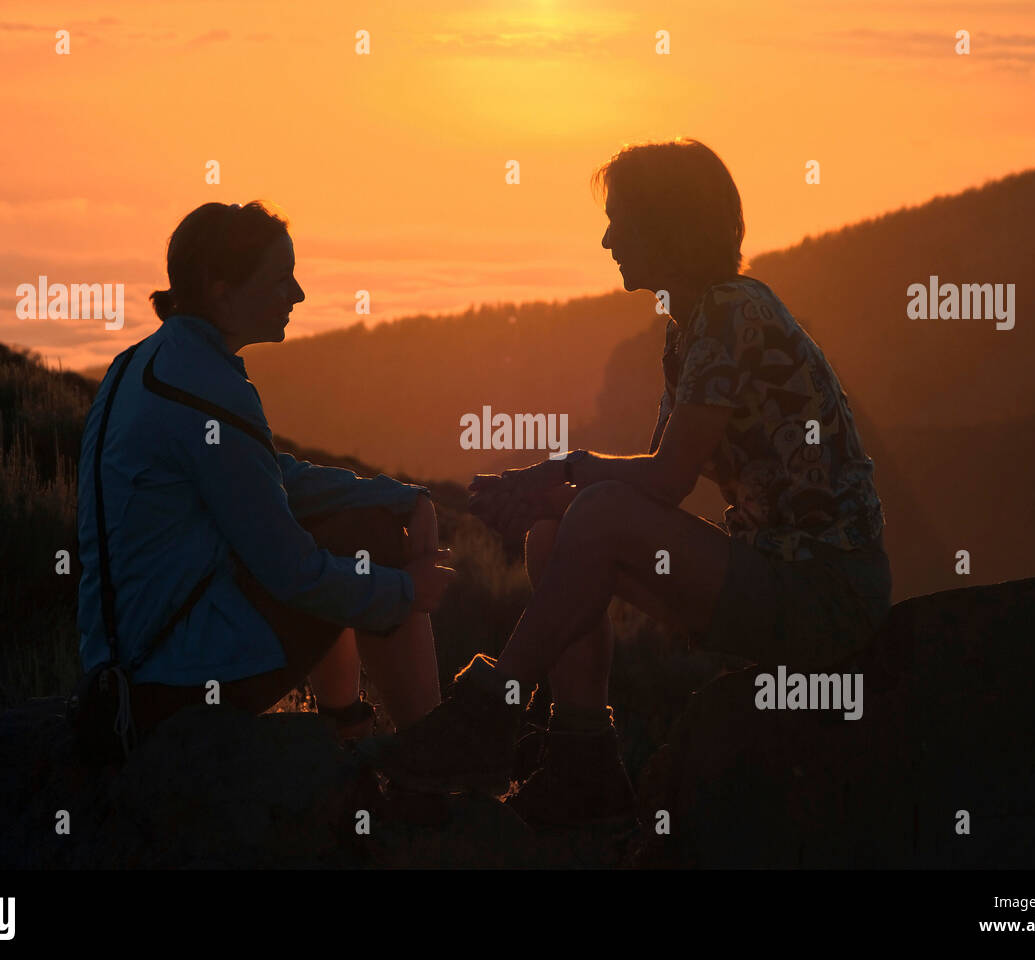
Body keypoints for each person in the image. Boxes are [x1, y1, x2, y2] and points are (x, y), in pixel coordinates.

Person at [379, 139, 892, 827]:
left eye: (621, 219)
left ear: (669, 224)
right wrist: (547, 498)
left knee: (584, 518)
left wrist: (558, 468)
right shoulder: (689, 331)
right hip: (773, 576)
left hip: (822, 588)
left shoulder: (732, 312)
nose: (607, 238)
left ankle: (489, 716)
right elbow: (638, 500)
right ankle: (583, 762)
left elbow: (664, 481)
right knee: (554, 534)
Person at [76, 201, 455, 748]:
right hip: (174, 684)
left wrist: (399, 496)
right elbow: (293, 574)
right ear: (219, 286)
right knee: (369, 541)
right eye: (281, 279)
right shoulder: (208, 391)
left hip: (127, 671)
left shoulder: (141, 364)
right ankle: (431, 754)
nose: (297, 295)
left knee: (360, 525)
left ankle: (347, 728)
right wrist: (407, 590)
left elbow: (268, 476)